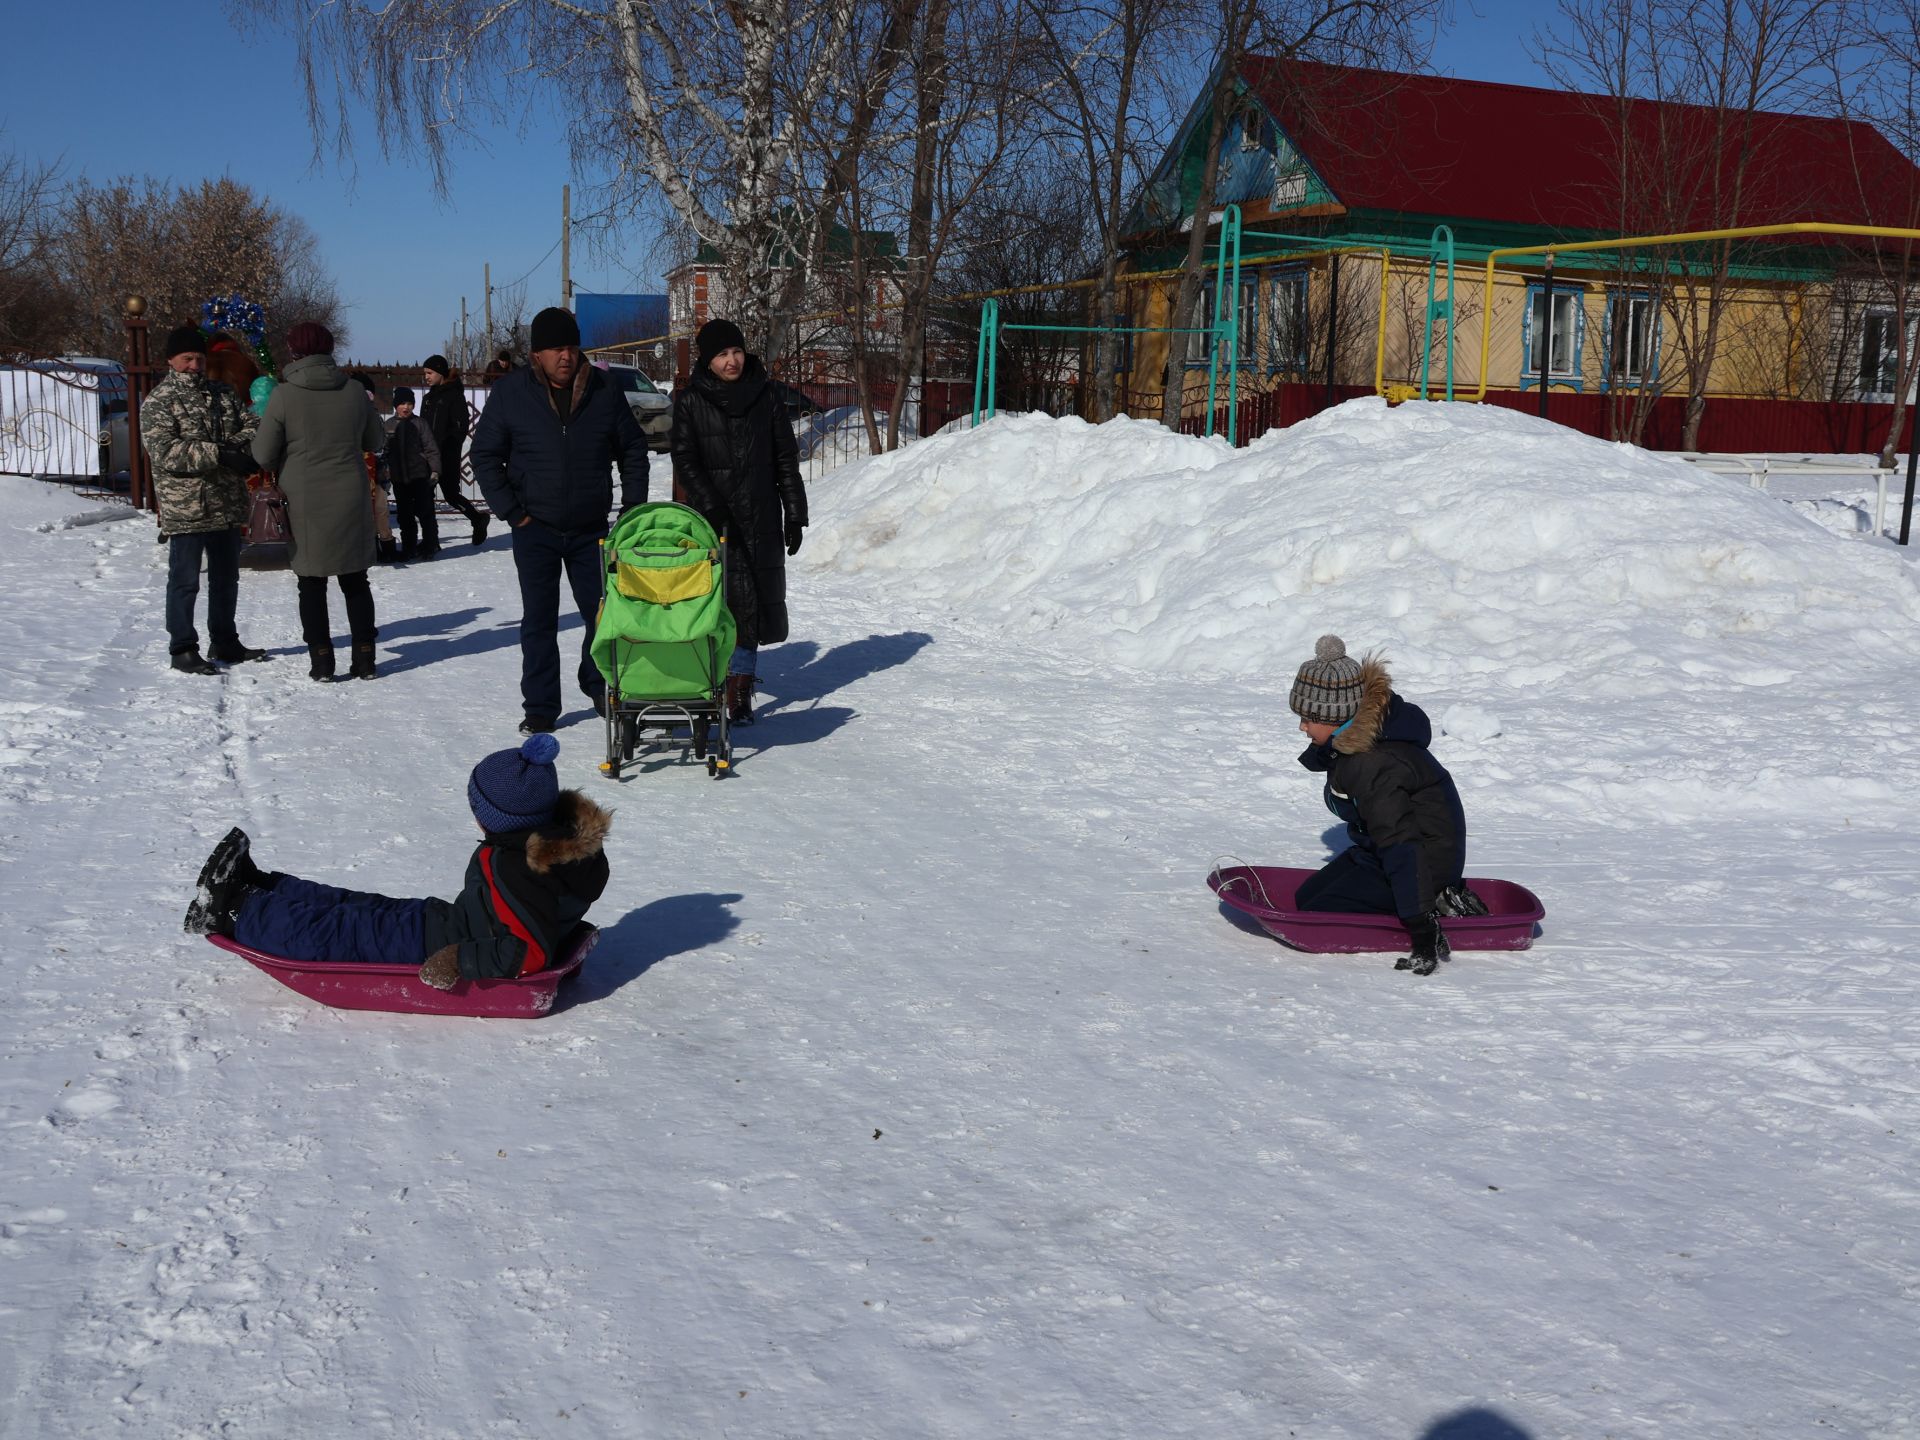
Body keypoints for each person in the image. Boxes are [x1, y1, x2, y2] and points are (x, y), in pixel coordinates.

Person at [183, 734, 612, 990]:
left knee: (340, 933)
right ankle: (262, 886)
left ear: (495, 819)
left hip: (442, 945)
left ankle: (234, 911)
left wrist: (457, 961)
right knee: (356, 905)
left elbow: (530, 953)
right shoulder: (554, 845)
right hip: (450, 923)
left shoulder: (518, 866)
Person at [470, 306, 650, 735]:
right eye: (555, 349)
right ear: (537, 354)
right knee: (539, 620)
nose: (565, 356)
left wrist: (631, 509)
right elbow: (484, 455)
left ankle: (598, 686)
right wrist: (513, 513)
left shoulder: (604, 389)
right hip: (537, 529)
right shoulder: (512, 392)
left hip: (591, 530)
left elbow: (633, 450)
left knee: (602, 615)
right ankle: (541, 706)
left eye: (571, 347)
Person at [1287, 635, 1488, 976]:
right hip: (1380, 853)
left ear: (1335, 716)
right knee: (1307, 898)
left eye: (1309, 718)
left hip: (1422, 864)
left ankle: (1440, 903)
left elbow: (1401, 844)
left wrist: (1420, 926)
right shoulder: (1351, 746)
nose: (1302, 726)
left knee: (1321, 909)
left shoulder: (1372, 763)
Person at [668, 318, 808, 725]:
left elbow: (785, 457)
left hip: (760, 515)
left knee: (750, 608)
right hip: (713, 521)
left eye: (736, 351)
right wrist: (711, 505)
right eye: (721, 355)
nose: (731, 361)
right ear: (707, 361)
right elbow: (686, 460)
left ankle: (740, 687)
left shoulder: (765, 396)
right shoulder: (692, 401)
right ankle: (709, 683)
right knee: (715, 605)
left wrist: (794, 513)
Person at [252, 323, 388, 681]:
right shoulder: (356, 391)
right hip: (350, 493)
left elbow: (263, 454)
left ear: (293, 351)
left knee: (311, 583)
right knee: (355, 580)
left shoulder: (283, 395)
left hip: (304, 499)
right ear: (329, 350)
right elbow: (375, 439)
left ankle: (322, 660)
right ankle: (365, 659)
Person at [141, 322, 267, 675]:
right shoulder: (160, 401)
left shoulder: (222, 394)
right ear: (171, 360)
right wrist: (220, 454)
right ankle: (182, 647)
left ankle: (225, 639)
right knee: (185, 580)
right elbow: (166, 451)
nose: (194, 366)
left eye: (198, 358)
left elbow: (251, 424)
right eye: (187, 359)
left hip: (225, 502)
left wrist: (235, 448)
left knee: (227, 578)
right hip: (187, 506)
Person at [421, 355, 487, 546]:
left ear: (440, 373)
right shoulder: (428, 398)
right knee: (425, 496)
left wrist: (446, 445)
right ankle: (430, 539)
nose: (426, 377)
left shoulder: (454, 396)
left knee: (450, 495)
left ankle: (477, 519)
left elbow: (460, 428)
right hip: (428, 455)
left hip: (447, 454)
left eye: (430, 373)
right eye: (425, 373)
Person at [384, 387, 443, 560]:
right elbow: (383, 451)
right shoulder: (388, 426)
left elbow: (431, 448)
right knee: (405, 514)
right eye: (402, 403)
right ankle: (409, 546)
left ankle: (430, 544)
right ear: (396, 405)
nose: (406, 407)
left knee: (425, 512)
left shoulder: (420, 424)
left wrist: (435, 470)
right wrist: (385, 471)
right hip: (399, 478)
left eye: (410, 403)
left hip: (419, 476)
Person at [349, 371, 397, 564]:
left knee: (380, 511)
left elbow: (380, 443)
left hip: (378, 472)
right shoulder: (347, 416)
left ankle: (387, 545)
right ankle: (368, 547)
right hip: (356, 472)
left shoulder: (374, 415)